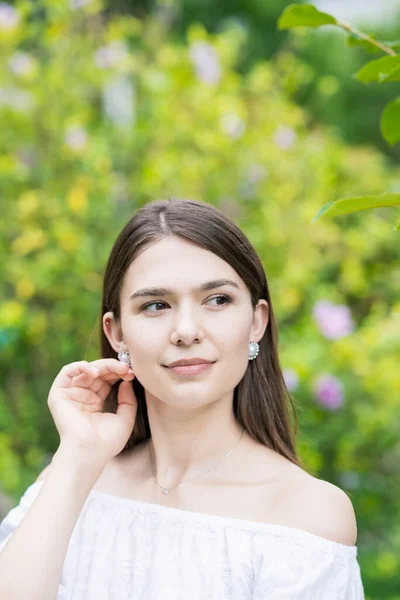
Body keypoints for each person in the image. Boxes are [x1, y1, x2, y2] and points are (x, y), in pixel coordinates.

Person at [0, 198, 364, 599]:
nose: (186, 330)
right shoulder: (68, 485)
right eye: (156, 305)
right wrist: (78, 455)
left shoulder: (308, 515)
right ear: (116, 333)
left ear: (257, 321)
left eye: (217, 300)